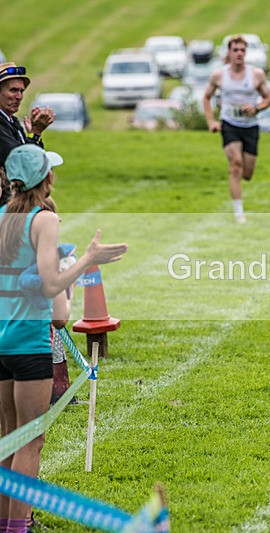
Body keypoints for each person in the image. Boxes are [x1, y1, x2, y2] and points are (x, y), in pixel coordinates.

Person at [0, 144, 127, 533]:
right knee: (30, 440)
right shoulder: (45, 220)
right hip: (29, 343)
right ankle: (17, 527)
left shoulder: (2, 216)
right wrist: (87, 259)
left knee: (7, 435)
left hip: (0, 341)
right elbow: (54, 293)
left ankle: (4, 521)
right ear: (46, 178)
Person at [203, 35, 270, 224]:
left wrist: (256, 107)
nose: (239, 53)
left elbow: (268, 99)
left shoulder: (256, 74)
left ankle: (239, 191)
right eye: (235, 50)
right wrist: (211, 122)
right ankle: (238, 212)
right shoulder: (219, 75)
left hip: (250, 126)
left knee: (247, 174)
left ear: (246, 52)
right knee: (235, 165)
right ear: (229, 53)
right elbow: (206, 97)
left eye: (242, 50)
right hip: (229, 124)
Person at [0, 63, 55, 207]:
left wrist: (33, 134)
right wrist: (35, 134)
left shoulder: (12, 121)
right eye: (13, 90)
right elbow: (26, 166)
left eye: (21, 91)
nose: (19, 96)